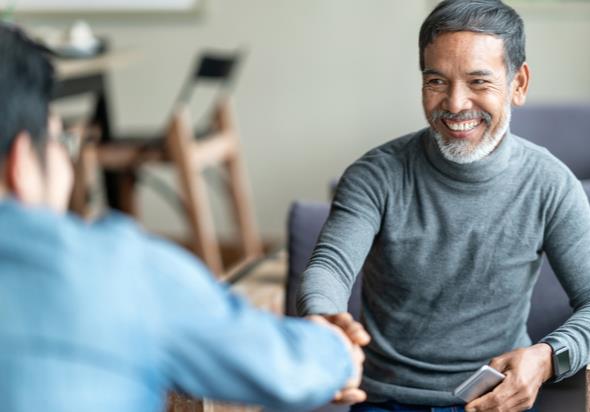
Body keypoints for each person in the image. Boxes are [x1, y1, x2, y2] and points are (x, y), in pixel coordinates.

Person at [0, 23, 372, 412]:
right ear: (22, 163)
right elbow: (287, 368)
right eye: (62, 140)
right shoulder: (118, 271)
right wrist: (336, 352)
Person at [297, 1, 590, 411]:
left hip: (497, 400)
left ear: (518, 83)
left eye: (478, 82)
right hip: (384, 400)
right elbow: (329, 267)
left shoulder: (550, 183)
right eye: (436, 81)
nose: (455, 103)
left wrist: (547, 358)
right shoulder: (375, 175)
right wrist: (325, 322)